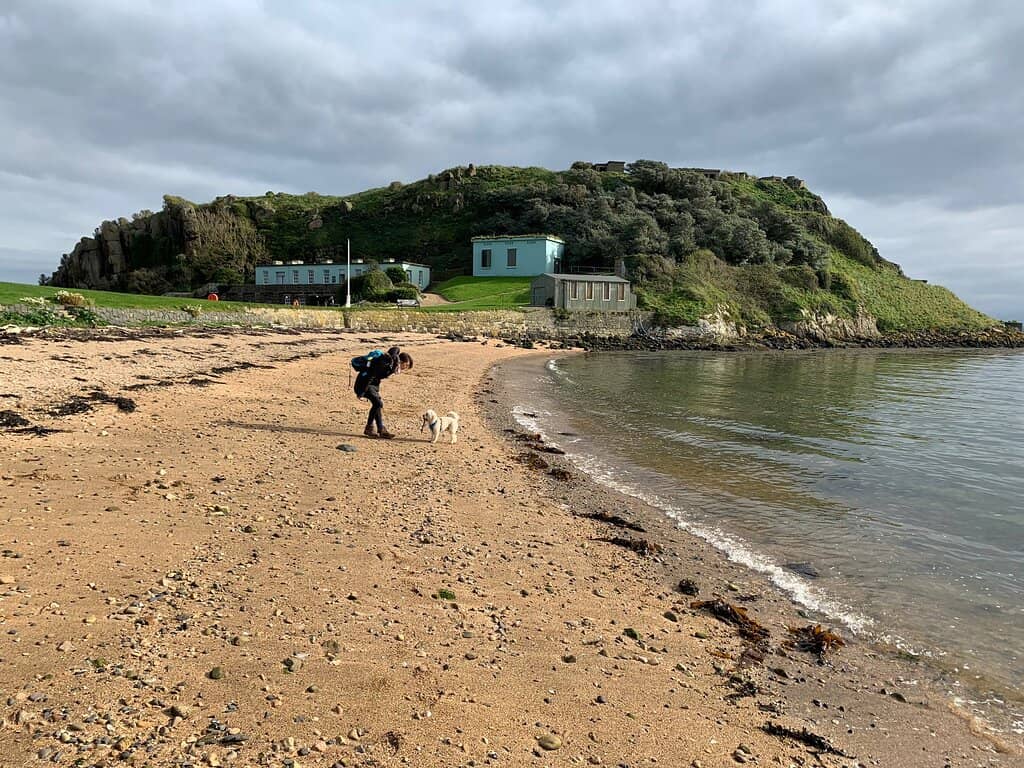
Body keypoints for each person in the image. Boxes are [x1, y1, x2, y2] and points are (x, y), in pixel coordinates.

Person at [354, 346, 413, 439]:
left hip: (373, 385)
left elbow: (395, 348)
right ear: (402, 362)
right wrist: (361, 393)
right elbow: (371, 375)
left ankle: (381, 429)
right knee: (378, 404)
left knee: (377, 405)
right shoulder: (387, 363)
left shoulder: (392, 363)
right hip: (363, 384)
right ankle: (369, 428)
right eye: (406, 365)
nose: (405, 368)